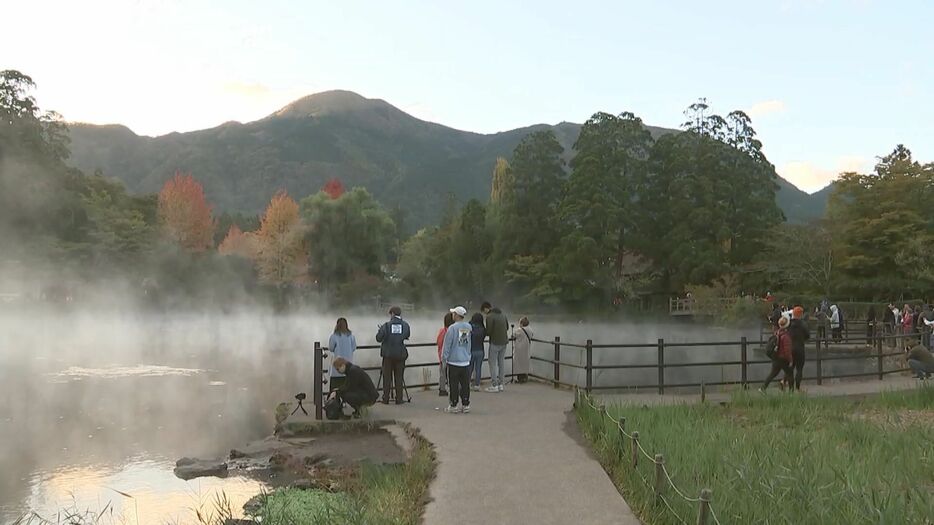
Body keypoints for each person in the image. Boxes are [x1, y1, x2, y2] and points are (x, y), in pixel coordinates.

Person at [376, 306, 410, 405]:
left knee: (387, 377)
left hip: (388, 355)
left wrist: (380, 331)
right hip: (400, 354)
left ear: (392, 314)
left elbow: (378, 338)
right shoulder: (405, 325)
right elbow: (407, 335)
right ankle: (399, 399)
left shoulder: (386, 325)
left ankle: (385, 398)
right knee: (399, 377)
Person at [441, 306, 472, 413]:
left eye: (453, 313)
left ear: (457, 315)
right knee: (465, 384)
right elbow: (466, 343)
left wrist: (444, 358)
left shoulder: (452, 328)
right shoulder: (467, 326)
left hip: (453, 361)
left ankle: (453, 405)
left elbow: (447, 345)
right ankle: (465, 404)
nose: (452, 315)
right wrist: (468, 355)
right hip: (465, 360)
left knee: (453, 384)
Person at [760, 316, 794, 392]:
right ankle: (791, 393)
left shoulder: (777, 333)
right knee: (790, 374)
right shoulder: (786, 336)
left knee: (773, 374)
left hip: (776, 357)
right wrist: (791, 360)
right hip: (783, 358)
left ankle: (763, 388)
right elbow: (787, 350)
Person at [482, 302, 509, 392]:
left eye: (484, 311)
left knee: (492, 363)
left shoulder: (489, 316)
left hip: (495, 342)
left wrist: (483, 332)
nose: (484, 313)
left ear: (486, 308)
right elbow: (507, 327)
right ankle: (501, 383)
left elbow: (488, 331)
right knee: (501, 363)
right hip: (504, 342)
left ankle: (494, 385)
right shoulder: (503, 314)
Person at [328, 318, 357, 392]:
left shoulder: (334, 336)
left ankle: (335, 401)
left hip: (337, 365)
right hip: (348, 365)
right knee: (347, 388)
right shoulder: (351, 336)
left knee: (335, 388)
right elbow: (354, 347)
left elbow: (331, 348)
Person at [788, 306, 810, 391]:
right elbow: (807, 335)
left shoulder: (789, 323)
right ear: (801, 314)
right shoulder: (803, 324)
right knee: (799, 369)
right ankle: (797, 387)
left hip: (790, 348)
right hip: (800, 348)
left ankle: (789, 388)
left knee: (790, 369)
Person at [436, 312, 454, 397]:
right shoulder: (453, 331)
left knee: (442, 373)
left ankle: (442, 389)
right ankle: (452, 388)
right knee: (451, 374)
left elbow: (438, 342)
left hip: (441, 355)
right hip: (452, 357)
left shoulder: (442, 331)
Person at [469, 312, 486, 391]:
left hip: (471, 350)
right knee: (478, 368)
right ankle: (477, 384)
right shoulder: (483, 329)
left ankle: (467, 383)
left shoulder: (470, 327)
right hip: (480, 350)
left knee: (470, 368)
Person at [512, 317, 532, 383]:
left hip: (519, 349)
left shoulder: (519, 330)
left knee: (519, 364)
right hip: (526, 349)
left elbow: (513, 335)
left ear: (522, 323)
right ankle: (525, 378)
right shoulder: (530, 329)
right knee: (525, 363)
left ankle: (520, 379)